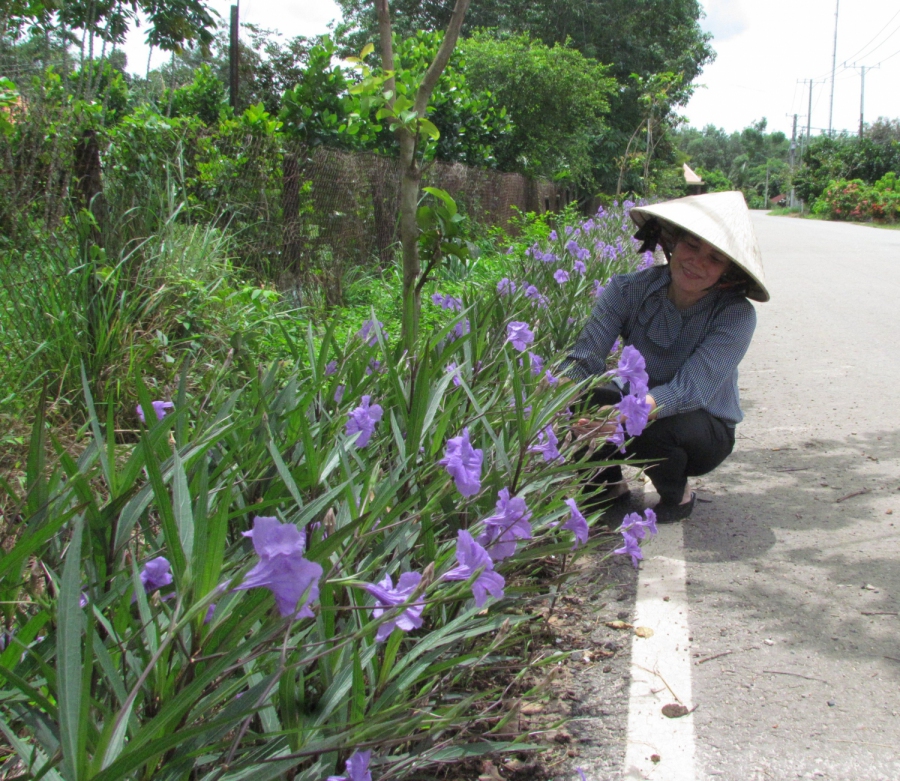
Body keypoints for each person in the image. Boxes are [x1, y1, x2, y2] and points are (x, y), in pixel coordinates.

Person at [562, 191, 769, 522]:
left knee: (656, 426)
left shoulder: (735, 315)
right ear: (672, 243)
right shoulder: (627, 289)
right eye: (692, 245)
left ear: (728, 272)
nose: (697, 262)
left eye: (715, 258)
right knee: (580, 399)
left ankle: (678, 493)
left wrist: (626, 413)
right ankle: (607, 483)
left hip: (700, 425)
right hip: (637, 403)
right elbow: (586, 357)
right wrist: (551, 394)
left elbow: (691, 389)